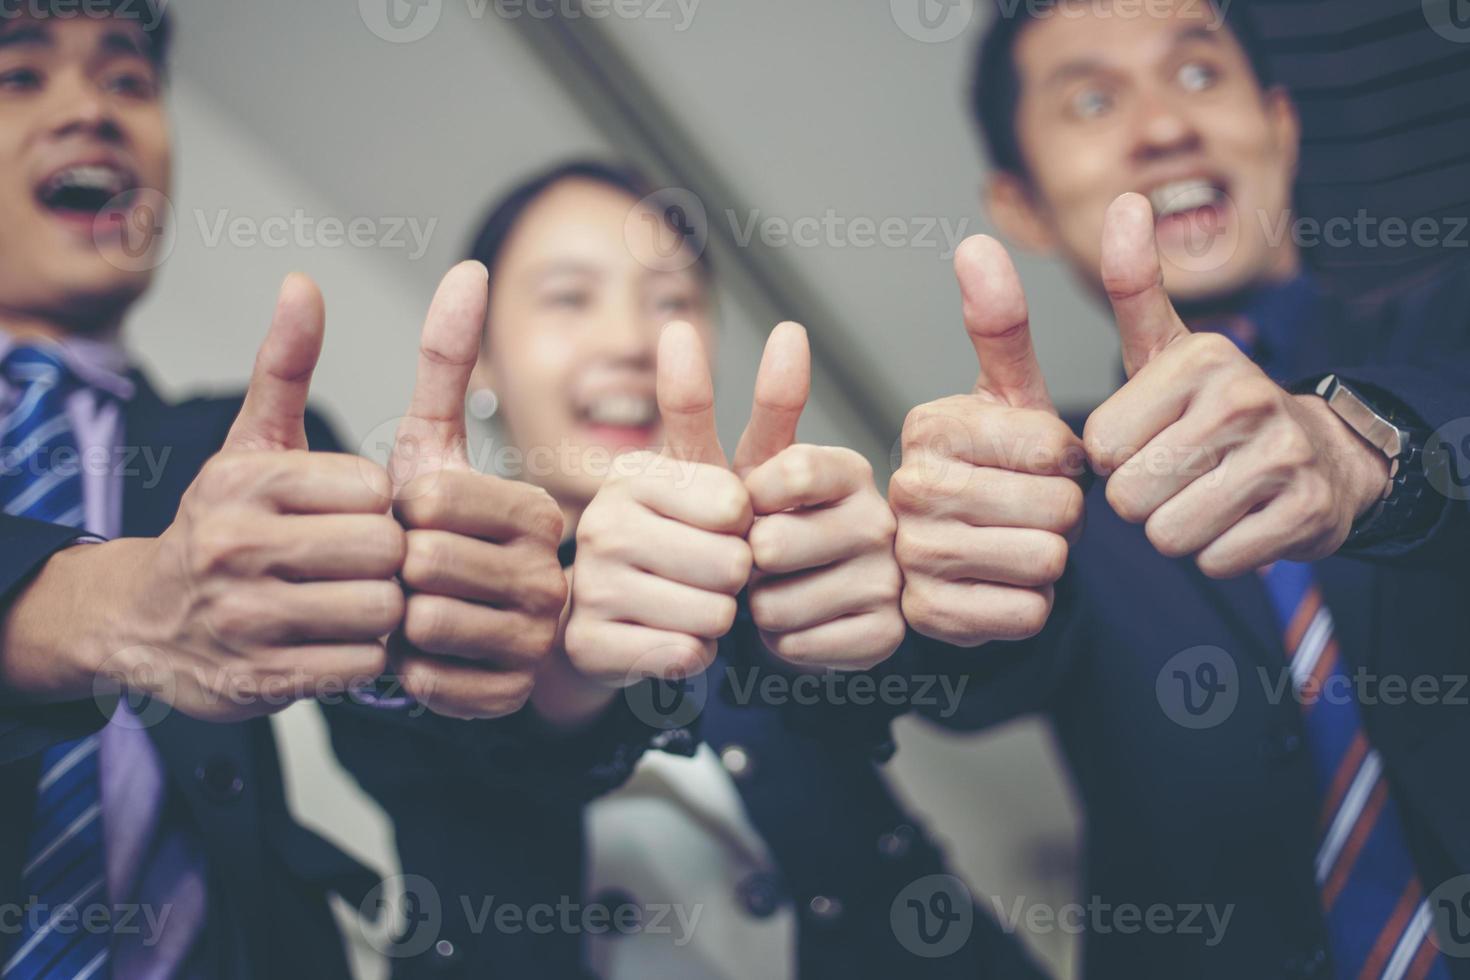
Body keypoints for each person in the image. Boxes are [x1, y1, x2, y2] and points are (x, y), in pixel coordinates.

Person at [329, 160, 1050, 979]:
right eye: (569, 297)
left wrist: (965, 564)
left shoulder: (782, 565)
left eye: (672, 302)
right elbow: (441, 738)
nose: (633, 341)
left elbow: (951, 669)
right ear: (484, 357)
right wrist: (559, 652)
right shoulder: (407, 590)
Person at [890, 1, 1470, 977]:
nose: (1164, 126)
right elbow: (957, 672)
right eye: (1092, 100)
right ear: (1022, 204)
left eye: (1199, 74)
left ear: (1279, 124)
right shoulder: (1042, 475)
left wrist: (1362, 455)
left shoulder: (1447, 327)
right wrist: (920, 594)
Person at [0, 4, 567, 976]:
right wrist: (121, 603)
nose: (90, 109)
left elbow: (474, 805)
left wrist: (491, 660)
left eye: (129, 80)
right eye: (20, 76)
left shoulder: (256, 458)